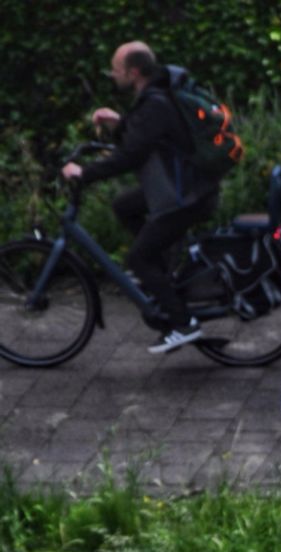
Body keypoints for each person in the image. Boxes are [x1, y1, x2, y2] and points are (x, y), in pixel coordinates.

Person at [62, 41, 219, 354]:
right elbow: (146, 137)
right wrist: (118, 125)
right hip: (183, 187)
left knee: (138, 258)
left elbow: (131, 156)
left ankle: (184, 323)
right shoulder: (157, 96)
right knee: (124, 206)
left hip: (185, 196)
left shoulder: (155, 103)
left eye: (116, 70)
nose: (112, 75)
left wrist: (84, 174)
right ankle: (162, 274)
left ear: (133, 72)